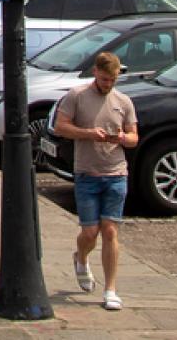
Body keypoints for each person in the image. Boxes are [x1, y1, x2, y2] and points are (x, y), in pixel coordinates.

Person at [54, 50, 139, 311]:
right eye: (104, 80)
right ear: (95, 73)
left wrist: (123, 139)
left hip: (116, 173)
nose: (108, 84)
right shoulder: (77, 96)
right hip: (87, 174)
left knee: (110, 231)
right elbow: (60, 127)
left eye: (112, 80)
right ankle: (80, 257)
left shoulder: (123, 101)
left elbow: (134, 136)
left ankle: (110, 289)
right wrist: (88, 133)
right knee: (90, 232)